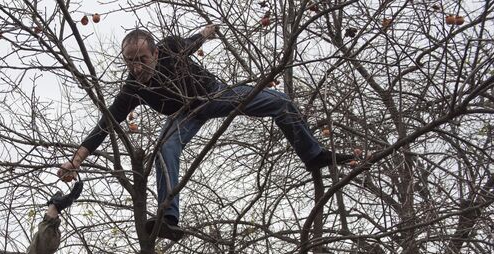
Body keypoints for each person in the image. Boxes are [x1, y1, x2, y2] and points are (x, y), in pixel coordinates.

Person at [57, 26, 354, 241]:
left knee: (280, 102)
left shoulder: (172, 48)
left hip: (213, 96)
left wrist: (209, 31)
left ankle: (313, 155)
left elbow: (193, 39)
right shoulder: (132, 89)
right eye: (129, 61)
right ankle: (168, 219)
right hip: (184, 116)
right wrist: (76, 160)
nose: (136, 68)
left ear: (155, 52)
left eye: (141, 59)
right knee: (165, 149)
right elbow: (105, 125)